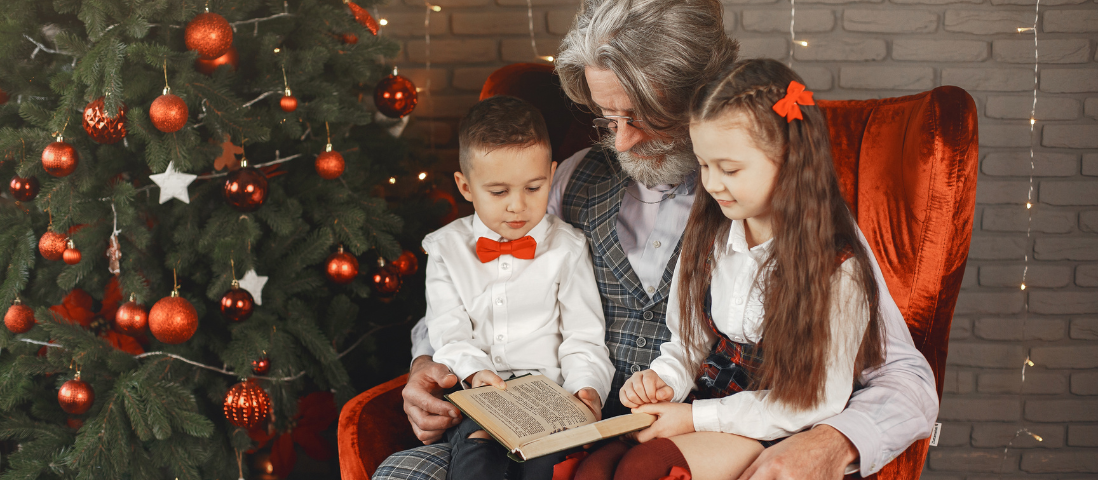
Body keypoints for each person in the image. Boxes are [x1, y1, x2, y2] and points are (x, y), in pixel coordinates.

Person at [374, 1, 938, 479]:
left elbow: (906, 379)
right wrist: (429, 362)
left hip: (705, 446)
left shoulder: (782, 209)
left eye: (641, 116)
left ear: (701, 93)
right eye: (606, 117)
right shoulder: (565, 180)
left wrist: (831, 443)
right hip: (563, 429)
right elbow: (476, 278)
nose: (620, 142)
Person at [574, 58, 890, 480]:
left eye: (730, 169)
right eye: (704, 165)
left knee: (644, 469)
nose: (712, 184)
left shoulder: (838, 271)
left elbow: (813, 403)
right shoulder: (710, 237)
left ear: (791, 160)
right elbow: (687, 343)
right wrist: (662, 380)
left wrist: (694, 418)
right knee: (595, 468)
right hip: (705, 410)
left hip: (775, 427)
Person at [422, 95, 614, 480]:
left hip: (550, 401)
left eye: (533, 188)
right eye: (498, 192)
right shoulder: (444, 249)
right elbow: (447, 331)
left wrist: (586, 388)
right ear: (465, 186)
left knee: (545, 464)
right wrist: (475, 372)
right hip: (478, 397)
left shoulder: (569, 248)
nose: (517, 206)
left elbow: (585, 337)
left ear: (553, 175)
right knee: (476, 453)